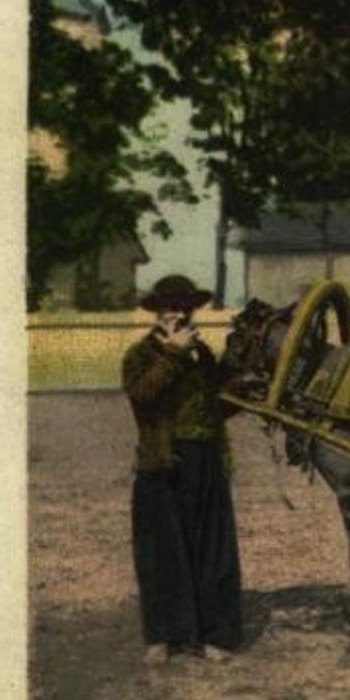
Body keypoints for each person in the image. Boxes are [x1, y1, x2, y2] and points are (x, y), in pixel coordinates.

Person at [123, 274, 244, 664]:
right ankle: (164, 636)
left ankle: (214, 635)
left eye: (183, 307)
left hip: (205, 459)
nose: (176, 314)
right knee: (162, 552)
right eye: (169, 307)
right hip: (162, 463)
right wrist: (174, 353)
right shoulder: (140, 355)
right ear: (157, 313)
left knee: (212, 549)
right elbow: (143, 395)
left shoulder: (202, 354)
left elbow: (217, 404)